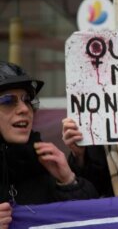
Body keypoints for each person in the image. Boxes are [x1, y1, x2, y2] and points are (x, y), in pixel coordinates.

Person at [0, 61, 98, 228]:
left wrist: (69, 181)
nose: (24, 109)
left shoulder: (46, 164)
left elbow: (96, 220)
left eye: (28, 100)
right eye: (9, 100)